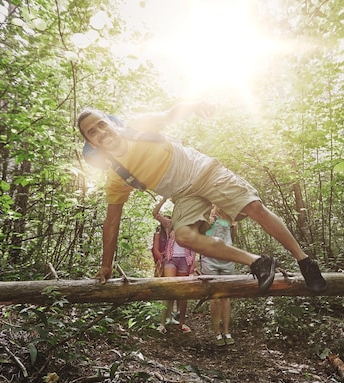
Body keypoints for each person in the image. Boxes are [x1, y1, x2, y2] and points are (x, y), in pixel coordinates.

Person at [76, 101, 327, 293]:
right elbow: (111, 223)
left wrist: (196, 105)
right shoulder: (116, 177)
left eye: (101, 124)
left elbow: (171, 113)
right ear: (92, 144)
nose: (100, 131)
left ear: (111, 122)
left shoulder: (138, 126)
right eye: (92, 132)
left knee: (253, 207)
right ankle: (259, 263)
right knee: (184, 236)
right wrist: (106, 265)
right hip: (183, 195)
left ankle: (305, 262)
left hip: (203, 171)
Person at [153, 198, 195, 333]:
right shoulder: (170, 224)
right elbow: (155, 213)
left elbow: (195, 243)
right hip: (171, 259)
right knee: (169, 289)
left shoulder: (191, 224)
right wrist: (164, 199)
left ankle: (182, 323)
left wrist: (193, 263)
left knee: (183, 293)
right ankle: (162, 324)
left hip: (185, 259)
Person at [201, 206, 236, 346]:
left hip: (227, 259)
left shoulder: (230, 216)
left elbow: (232, 236)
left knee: (226, 298)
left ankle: (227, 331)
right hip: (209, 260)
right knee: (214, 298)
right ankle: (217, 333)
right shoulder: (205, 215)